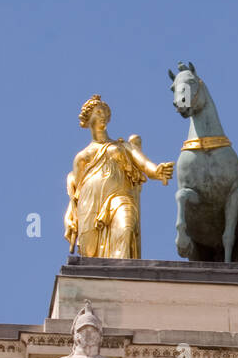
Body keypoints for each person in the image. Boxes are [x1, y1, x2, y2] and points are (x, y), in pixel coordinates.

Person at [65, 95, 173, 258]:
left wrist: (157, 171)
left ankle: (122, 275)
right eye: (98, 112)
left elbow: (144, 165)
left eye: (105, 113)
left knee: (125, 225)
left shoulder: (122, 146)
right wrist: (69, 216)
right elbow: (75, 196)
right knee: (90, 254)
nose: (103, 116)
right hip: (89, 205)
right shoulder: (81, 157)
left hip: (119, 198)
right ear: (88, 119)